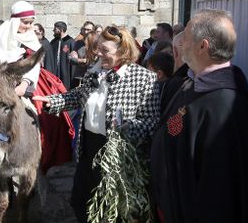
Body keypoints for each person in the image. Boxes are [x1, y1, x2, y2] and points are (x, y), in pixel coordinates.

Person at [33, 26, 160, 223]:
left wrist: (128, 127)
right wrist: (53, 101)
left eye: (105, 50)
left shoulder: (144, 78)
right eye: (98, 48)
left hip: (118, 155)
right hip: (89, 150)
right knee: (81, 201)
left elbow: (152, 123)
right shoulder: (95, 71)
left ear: (123, 51)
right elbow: (78, 95)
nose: (99, 53)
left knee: (114, 210)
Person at [150, 9, 248, 223]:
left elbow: (220, 195)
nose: (179, 43)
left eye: (186, 37)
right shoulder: (192, 83)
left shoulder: (227, 106)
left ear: (202, 46)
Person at [0, 1, 42, 97]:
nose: (29, 26)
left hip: (27, 79)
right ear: (16, 21)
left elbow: (34, 63)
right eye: (26, 22)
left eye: (31, 22)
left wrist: (24, 85)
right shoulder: (1, 34)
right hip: (0, 79)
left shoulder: (31, 37)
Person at [46, 21, 75, 90]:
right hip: (55, 71)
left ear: (61, 30)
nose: (53, 30)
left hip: (66, 70)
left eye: (55, 29)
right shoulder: (53, 42)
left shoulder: (70, 41)